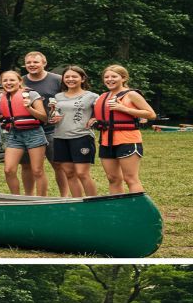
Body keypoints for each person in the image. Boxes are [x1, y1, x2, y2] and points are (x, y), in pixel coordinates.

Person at [90, 65, 156, 194]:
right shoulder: (103, 96)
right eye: (106, 77)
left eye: (114, 76)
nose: (109, 79)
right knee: (113, 178)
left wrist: (124, 108)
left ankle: (137, 209)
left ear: (123, 78)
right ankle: (118, 210)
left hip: (128, 140)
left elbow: (151, 114)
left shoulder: (131, 94)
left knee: (130, 178)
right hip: (106, 141)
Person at [0, 71, 48, 196]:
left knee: (37, 171)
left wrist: (29, 108)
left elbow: (44, 118)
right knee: (9, 170)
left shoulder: (31, 94)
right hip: (14, 134)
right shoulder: (1, 98)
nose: (8, 83)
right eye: (5, 81)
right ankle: (17, 199)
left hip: (34, 133)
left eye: (12, 80)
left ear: (19, 81)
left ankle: (41, 201)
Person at [22, 52, 66, 196]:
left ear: (44, 63)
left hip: (52, 129)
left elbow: (69, 99)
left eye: (35, 62)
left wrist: (61, 115)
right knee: (27, 166)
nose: (32, 65)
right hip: (28, 130)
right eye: (29, 62)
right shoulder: (19, 81)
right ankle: (29, 197)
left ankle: (64, 197)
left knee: (58, 164)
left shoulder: (58, 80)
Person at [52, 66, 98, 197]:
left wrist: (95, 118)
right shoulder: (58, 96)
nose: (70, 79)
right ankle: (77, 203)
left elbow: (101, 113)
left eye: (74, 76)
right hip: (60, 137)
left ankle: (93, 203)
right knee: (69, 173)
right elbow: (55, 115)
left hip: (81, 136)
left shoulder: (91, 96)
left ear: (82, 79)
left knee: (82, 173)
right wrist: (53, 117)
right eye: (67, 77)